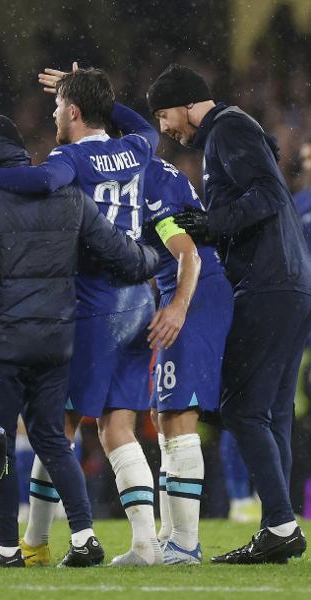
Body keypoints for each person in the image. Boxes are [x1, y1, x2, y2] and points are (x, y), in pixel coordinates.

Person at [0, 113, 162, 568]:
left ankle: (6, 548)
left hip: (1, 344)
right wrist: (156, 255)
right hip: (56, 342)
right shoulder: (67, 194)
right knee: (53, 441)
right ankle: (85, 536)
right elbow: (122, 255)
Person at [147, 63, 311, 564]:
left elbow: (267, 194)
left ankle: (281, 525)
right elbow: (267, 180)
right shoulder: (235, 130)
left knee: (241, 409)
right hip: (289, 284)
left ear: (187, 102)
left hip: (267, 284)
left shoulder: (228, 129)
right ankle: (275, 527)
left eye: (164, 114)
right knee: (272, 414)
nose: (164, 128)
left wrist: (212, 224)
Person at [143, 156, 233, 564]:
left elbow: (188, 255)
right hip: (179, 295)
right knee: (165, 419)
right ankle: (169, 536)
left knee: (178, 417)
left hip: (193, 296)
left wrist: (178, 306)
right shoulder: (151, 170)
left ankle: (186, 543)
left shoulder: (151, 183)